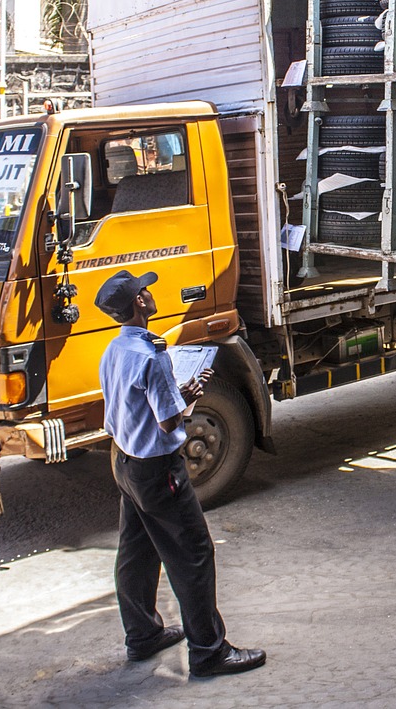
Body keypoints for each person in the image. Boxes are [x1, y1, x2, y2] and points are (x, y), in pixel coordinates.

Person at [95, 268, 266, 678]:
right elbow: (170, 423)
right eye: (145, 292)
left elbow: (137, 407)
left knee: (135, 553)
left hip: (125, 464)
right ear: (139, 303)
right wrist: (186, 395)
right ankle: (209, 652)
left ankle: (142, 636)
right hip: (159, 472)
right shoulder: (151, 357)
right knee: (193, 555)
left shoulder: (114, 351)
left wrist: (179, 393)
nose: (150, 295)